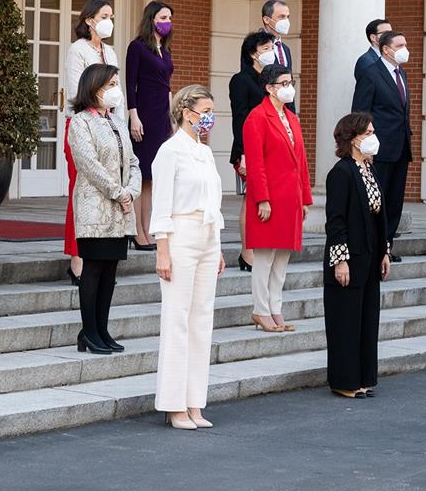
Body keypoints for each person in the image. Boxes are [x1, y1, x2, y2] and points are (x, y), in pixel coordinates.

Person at [151, 85, 226, 430]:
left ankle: (195, 401)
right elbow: (162, 204)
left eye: (212, 110)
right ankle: (173, 404)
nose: (209, 117)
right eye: (204, 110)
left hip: (207, 236)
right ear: (186, 112)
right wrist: (162, 250)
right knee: (177, 319)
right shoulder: (170, 151)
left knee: (201, 320)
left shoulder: (205, 152)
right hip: (180, 236)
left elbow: (214, 202)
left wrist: (218, 245)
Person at [68, 64, 141, 355]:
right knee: (93, 269)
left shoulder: (117, 121)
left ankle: (102, 329)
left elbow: (133, 161)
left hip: (120, 210)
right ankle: (89, 332)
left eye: (116, 83)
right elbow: (89, 164)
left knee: (110, 271)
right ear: (94, 88)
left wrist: (131, 191)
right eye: (110, 84)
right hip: (95, 207)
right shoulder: (81, 122)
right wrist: (118, 192)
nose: (115, 89)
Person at [323, 112, 391, 399]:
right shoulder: (341, 172)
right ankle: (344, 380)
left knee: (366, 320)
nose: (373, 138)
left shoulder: (370, 170)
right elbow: (335, 220)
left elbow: (380, 216)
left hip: (370, 254)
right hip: (349, 257)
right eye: (368, 133)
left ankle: (363, 378)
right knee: (346, 322)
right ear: (352, 139)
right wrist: (340, 260)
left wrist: (385, 252)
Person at [243, 64, 312, 333]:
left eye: (290, 82)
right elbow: (256, 162)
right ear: (269, 88)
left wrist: (305, 198)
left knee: (282, 258)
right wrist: (262, 198)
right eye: (283, 83)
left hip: (290, 197)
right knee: (264, 258)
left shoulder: (292, 118)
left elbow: (302, 162)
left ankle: (276, 308)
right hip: (269, 197)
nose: (289, 87)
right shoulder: (257, 117)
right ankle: (260, 310)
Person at [63, 0, 120, 284]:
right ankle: (77, 258)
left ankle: (101, 257)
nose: (110, 19)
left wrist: (118, 123)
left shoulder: (109, 51)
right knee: (82, 191)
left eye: (112, 15)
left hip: (109, 127)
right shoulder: (78, 50)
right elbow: (77, 91)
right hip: (83, 125)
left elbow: (117, 91)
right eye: (104, 15)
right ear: (89, 20)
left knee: (108, 192)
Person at [351, 30, 412, 260]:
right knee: (377, 197)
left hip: (401, 147)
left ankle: (387, 246)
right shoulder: (371, 73)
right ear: (386, 49)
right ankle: (373, 246)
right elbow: (361, 112)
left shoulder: (401, 74)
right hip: (380, 148)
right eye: (400, 44)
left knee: (394, 201)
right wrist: (364, 146)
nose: (405, 49)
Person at [126, 0, 175, 252]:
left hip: (161, 117)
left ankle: (148, 228)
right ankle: (136, 231)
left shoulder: (164, 50)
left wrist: (173, 118)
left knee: (152, 178)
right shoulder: (137, 47)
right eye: (163, 17)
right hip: (143, 115)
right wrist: (133, 116)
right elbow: (130, 83)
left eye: (169, 18)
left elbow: (167, 86)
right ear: (152, 19)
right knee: (140, 174)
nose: (167, 22)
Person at [228, 31, 275, 272]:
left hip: (270, 148)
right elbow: (240, 119)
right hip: (248, 149)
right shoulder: (240, 80)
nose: (271, 52)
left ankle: (260, 249)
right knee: (251, 199)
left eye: (271, 47)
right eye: (265, 48)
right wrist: (244, 153)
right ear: (252, 53)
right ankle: (247, 253)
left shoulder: (270, 80)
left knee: (264, 200)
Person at [259, 0, 295, 71]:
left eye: (287, 17)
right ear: (266, 20)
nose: (286, 21)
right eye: (282, 17)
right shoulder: (256, 44)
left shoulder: (286, 49)